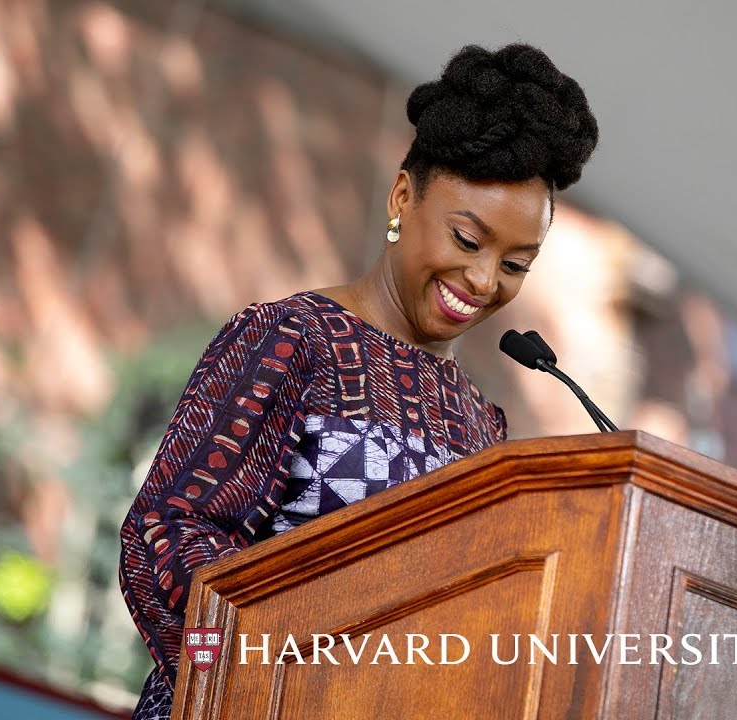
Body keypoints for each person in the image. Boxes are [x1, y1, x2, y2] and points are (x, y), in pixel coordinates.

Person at [118, 42, 599, 718]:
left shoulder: (482, 426)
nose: (486, 281)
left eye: (516, 264)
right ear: (403, 197)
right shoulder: (290, 341)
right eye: (467, 240)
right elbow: (167, 536)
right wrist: (273, 681)